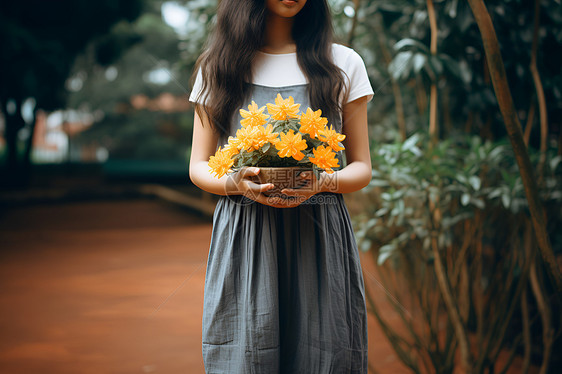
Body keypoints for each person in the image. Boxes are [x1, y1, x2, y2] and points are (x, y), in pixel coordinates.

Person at [188, 0, 374, 372]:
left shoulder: (343, 62)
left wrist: (323, 181)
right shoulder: (219, 65)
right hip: (245, 233)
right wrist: (235, 184)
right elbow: (198, 166)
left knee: (325, 353)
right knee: (245, 355)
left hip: (319, 233)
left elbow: (362, 168)